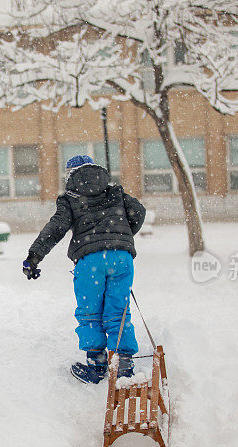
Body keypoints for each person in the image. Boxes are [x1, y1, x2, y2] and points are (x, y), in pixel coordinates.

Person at [23, 155, 146, 383]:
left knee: (91, 312)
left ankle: (97, 366)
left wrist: (34, 256)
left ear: (70, 174)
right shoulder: (114, 192)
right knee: (119, 309)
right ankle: (125, 365)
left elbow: (56, 228)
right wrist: (121, 237)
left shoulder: (70, 198)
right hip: (121, 257)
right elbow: (138, 211)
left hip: (90, 260)